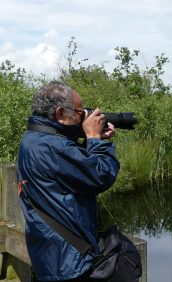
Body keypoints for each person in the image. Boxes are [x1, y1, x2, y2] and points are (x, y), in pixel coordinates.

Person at [16, 81, 120, 281]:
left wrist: (92, 140)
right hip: (69, 262)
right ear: (61, 113)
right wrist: (95, 140)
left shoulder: (33, 138)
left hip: (49, 253)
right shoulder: (52, 147)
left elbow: (69, 166)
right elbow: (101, 175)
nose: (85, 118)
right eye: (81, 113)